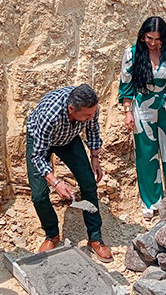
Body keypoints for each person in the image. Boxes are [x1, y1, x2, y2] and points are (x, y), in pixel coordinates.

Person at [26, 84, 113, 263]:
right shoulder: (49, 116)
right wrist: (56, 182)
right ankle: (52, 235)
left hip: (69, 139)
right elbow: (37, 156)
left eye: (92, 114)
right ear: (71, 109)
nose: (90, 118)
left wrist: (95, 158)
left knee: (89, 183)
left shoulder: (90, 108)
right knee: (39, 195)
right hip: (41, 141)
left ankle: (95, 238)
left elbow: (93, 129)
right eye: (86, 116)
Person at [118, 16, 166, 219]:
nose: (153, 43)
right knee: (147, 155)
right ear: (142, 36)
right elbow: (126, 85)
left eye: (157, 38)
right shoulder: (132, 53)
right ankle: (152, 202)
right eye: (149, 38)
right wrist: (127, 112)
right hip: (143, 107)